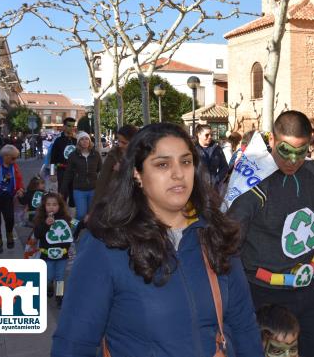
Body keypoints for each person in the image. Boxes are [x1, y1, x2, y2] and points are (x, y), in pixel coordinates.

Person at [52, 123, 264, 356]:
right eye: (162, 164)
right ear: (137, 173)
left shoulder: (215, 232)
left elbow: (243, 324)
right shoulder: (106, 244)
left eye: (185, 161)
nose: (178, 173)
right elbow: (73, 343)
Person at [228, 110, 314, 357]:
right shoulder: (253, 182)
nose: (293, 160)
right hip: (263, 293)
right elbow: (229, 242)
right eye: (286, 150)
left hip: (306, 289)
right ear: (272, 141)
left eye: (301, 151)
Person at [33, 192, 76, 308]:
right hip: (47, 255)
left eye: (55, 204)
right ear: (44, 206)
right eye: (48, 204)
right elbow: (37, 234)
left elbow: (76, 224)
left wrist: (86, 222)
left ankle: (59, 296)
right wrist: (46, 224)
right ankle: (48, 286)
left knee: (60, 277)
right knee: (48, 276)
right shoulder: (41, 219)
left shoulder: (66, 218)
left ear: (60, 206)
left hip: (62, 255)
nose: (51, 207)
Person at [61, 131, 102, 224]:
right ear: (78, 142)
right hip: (79, 189)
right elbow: (68, 173)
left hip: (93, 189)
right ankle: (75, 229)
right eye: (82, 139)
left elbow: (101, 171)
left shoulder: (96, 155)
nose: (85, 141)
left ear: (90, 141)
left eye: (86, 139)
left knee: (91, 214)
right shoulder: (73, 155)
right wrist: (62, 190)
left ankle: (89, 234)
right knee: (81, 214)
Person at [93, 124, 138, 205]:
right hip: (113, 201)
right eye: (118, 141)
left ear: (134, 142)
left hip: (134, 202)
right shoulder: (113, 154)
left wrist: (123, 168)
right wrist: (93, 209)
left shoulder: (141, 156)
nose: (120, 145)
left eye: (124, 143)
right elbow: (102, 181)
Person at [50, 117, 77, 206]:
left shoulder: (76, 141)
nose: (71, 128)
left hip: (75, 172)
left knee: (74, 197)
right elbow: (52, 159)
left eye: (73, 126)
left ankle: (72, 218)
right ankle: (62, 217)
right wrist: (52, 174)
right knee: (62, 196)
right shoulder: (58, 141)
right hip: (62, 171)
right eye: (69, 126)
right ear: (64, 126)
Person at [194, 123, 229, 191]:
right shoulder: (192, 149)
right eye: (207, 135)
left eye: (211, 135)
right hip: (197, 188)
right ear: (199, 135)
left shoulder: (217, 148)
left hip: (213, 189)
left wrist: (216, 179)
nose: (209, 137)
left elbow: (224, 167)